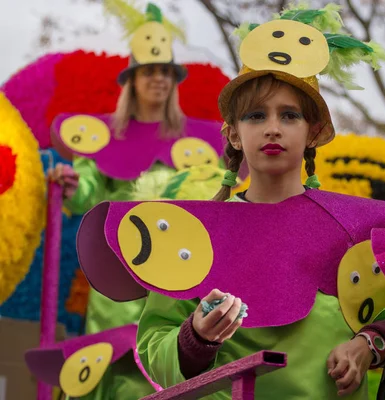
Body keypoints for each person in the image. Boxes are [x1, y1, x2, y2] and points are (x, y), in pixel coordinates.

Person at [136, 4, 385, 398]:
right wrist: (195, 337)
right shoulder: (192, 232)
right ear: (233, 134)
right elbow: (155, 346)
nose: (273, 128)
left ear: (313, 132)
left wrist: (366, 346)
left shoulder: (353, 228)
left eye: (290, 115)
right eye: (257, 115)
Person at [46, 2, 224, 399]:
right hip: (119, 276)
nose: (159, 79)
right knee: (115, 371)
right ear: (132, 79)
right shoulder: (106, 138)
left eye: (166, 71)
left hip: (183, 272)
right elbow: (88, 194)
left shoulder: (201, 142)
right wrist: (73, 185)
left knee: (172, 362)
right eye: (149, 70)